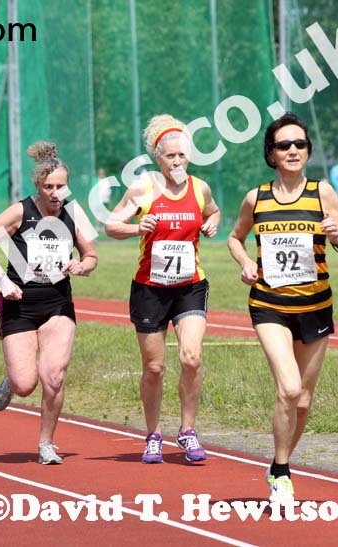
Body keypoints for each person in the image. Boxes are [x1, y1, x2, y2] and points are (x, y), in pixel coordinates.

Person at [227, 112, 338, 503]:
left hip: (316, 307)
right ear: (271, 153)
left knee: (303, 399)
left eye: (299, 144)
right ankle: (282, 473)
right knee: (288, 387)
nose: (293, 150)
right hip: (269, 305)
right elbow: (236, 238)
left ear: (308, 151)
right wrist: (246, 263)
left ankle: (278, 462)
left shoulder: (324, 194)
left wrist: (337, 237)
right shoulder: (257, 198)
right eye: (284, 144)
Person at [0, 141, 98, 465]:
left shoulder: (73, 211)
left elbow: (91, 255)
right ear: (38, 186)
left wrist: (82, 266)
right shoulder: (20, 211)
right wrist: (3, 281)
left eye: (61, 186)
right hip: (20, 305)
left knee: (54, 375)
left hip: (57, 304)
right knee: (26, 383)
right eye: (49, 187)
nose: (56, 193)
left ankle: (46, 443)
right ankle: (11, 382)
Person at [105, 115, 220, 465]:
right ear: (158, 158)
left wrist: (212, 224)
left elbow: (213, 213)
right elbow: (111, 225)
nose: (177, 162)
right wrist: (137, 227)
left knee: (191, 356)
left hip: (189, 286)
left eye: (182, 156)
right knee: (154, 368)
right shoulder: (143, 189)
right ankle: (153, 434)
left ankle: (187, 431)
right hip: (150, 290)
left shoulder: (200, 188)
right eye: (170, 156)